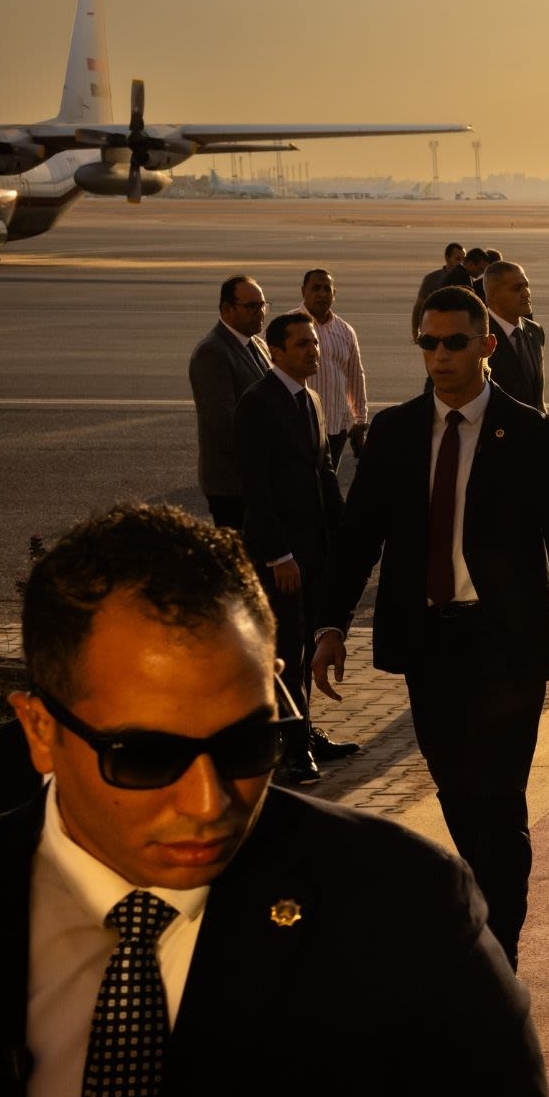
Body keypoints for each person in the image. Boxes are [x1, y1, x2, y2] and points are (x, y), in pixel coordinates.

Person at [0, 503, 549, 1097]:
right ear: (39, 731)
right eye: (146, 756)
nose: (209, 802)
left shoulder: (405, 919)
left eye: (247, 745)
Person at [311, 285, 549, 968]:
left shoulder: (534, 435)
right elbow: (358, 539)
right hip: (430, 646)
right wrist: (328, 624)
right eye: (428, 343)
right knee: (459, 798)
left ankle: (501, 953)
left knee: (498, 805)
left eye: (454, 343)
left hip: (508, 649)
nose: (438, 356)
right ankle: (486, 919)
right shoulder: (394, 432)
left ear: (486, 345)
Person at [238, 311, 361, 786]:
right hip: (281, 556)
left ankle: (303, 732)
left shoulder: (310, 399)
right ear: (277, 351)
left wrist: (346, 533)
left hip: (314, 550)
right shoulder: (258, 403)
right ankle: (290, 748)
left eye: (315, 343)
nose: (315, 352)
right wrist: (279, 554)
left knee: (306, 640)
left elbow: (324, 473)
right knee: (285, 648)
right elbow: (257, 487)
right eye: (303, 345)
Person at [187, 274, 271, 531]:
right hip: (232, 485)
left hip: (254, 479)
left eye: (263, 305)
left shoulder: (256, 344)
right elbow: (224, 424)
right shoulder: (213, 352)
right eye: (251, 306)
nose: (260, 313)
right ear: (227, 309)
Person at [301, 267, 371, 469]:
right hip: (300, 428)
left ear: (334, 294)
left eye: (327, 289)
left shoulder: (345, 331)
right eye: (315, 288)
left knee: (328, 487)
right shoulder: (288, 326)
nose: (322, 294)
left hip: (335, 428)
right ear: (303, 291)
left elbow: (355, 376)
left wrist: (360, 421)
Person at [484, 260, 548, 413]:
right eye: (517, 288)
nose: (526, 293)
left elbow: (538, 398)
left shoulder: (535, 331)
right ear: (494, 296)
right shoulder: (479, 335)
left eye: (526, 285)